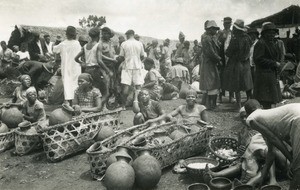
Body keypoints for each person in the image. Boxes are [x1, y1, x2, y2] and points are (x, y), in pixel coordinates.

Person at [244, 99, 299, 189]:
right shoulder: (267, 118)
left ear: (247, 114)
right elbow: (271, 152)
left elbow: (274, 139)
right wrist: (263, 176)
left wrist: (291, 160)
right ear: (260, 107)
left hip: (297, 117)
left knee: (297, 167)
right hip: (297, 110)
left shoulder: (251, 119)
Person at [75, 27, 111, 106]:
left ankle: (92, 106)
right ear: (98, 35)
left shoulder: (85, 46)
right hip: (96, 70)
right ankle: (98, 107)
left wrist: (83, 63)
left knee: (91, 91)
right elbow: (99, 61)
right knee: (105, 92)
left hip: (87, 71)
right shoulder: (98, 45)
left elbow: (76, 58)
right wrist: (108, 70)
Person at [222, 19, 253, 109]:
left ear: (236, 29)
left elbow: (228, 52)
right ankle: (249, 101)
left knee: (237, 85)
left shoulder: (235, 39)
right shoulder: (248, 38)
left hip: (236, 63)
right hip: (246, 63)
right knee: (247, 83)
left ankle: (238, 104)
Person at [253, 22, 282, 109]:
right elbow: (258, 59)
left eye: (273, 33)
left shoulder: (272, 43)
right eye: (270, 33)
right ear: (264, 33)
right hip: (263, 75)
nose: (272, 35)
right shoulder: (261, 43)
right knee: (265, 98)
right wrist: (273, 63)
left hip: (270, 74)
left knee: (270, 98)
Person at [53, 26, 82, 106]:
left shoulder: (63, 44)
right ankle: (75, 102)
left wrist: (58, 42)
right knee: (75, 82)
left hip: (66, 67)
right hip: (75, 66)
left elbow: (54, 50)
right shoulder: (77, 43)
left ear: (66, 34)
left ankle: (68, 102)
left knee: (67, 83)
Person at [118, 29, 145, 109]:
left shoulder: (124, 44)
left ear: (127, 35)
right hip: (137, 66)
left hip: (127, 66)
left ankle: (123, 106)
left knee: (126, 86)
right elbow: (142, 56)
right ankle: (140, 105)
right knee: (138, 86)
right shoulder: (139, 44)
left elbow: (121, 56)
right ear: (133, 34)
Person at [199, 20, 221, 110]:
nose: (216, 31)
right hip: (210, 63)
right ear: (210, 29)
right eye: (214, 29)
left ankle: (208, 103)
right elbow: (211, 52)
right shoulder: (207, 38)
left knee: (208, 83)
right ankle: (212, 105)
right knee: (212, 82)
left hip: (207, 62)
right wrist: (219, 59)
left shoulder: (208, 37)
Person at [98, 27, 118, 106]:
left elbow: (113, 53)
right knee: (105, 87)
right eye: (103, 33)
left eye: (107, 33)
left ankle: (107, 104)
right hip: (103, 67)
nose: (104, 35)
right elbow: (100, 56)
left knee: (111, 86)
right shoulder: (100, 43)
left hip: (111, 67)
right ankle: (101, 105)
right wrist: (111, 60)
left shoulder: (110, 43)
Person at [218, 17, 233, 103]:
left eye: (228, 23)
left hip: (230, 59)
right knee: (221, 78)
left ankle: (231, 96)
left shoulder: (233, 33)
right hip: (222, 58)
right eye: (225, 23)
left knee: (231, 78)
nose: (227, 24)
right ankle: (220, 97)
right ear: (223, 24)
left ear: (230, 24)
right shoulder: (220, 33)